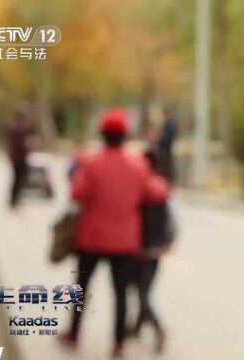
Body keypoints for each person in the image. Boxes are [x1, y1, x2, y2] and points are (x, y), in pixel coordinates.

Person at [61, 109, 169, 358]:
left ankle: (74, 334)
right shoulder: (138, 165)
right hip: (124, 242)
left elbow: (77, 194)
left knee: (81, 289)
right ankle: (118, 343)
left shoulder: (91, 163)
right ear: (125, 136)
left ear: (103, 135)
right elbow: (155, 193)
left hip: (91, 238)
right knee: (120, 293)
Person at [129, 125, 177, 353]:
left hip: (142, 248)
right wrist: (166, 244)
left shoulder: (140, 188)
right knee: (144, 290)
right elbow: (170, 222)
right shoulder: (161, 188)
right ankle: (137, 327)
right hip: (157, 249)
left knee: (142, 293)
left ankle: (158, 329)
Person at [5, 107, 34, 208]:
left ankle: (14, 199)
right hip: (20, 157)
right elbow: (22, 144)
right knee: (18, 179)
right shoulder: (20, 128)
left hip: (16, 157)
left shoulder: (13, 127)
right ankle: (15, 200)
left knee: (16, 179)